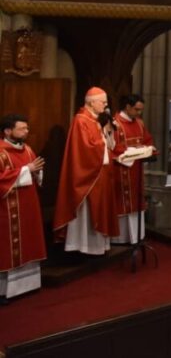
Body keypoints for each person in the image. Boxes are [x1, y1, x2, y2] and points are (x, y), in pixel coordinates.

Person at [54, 87, 120, 254]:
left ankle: (97, 246)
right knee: (87, 214)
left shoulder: (96, 119)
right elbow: (85, 149)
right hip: (88, 176)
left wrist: (108, 131)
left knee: (100, 210)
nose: (106, 105)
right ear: (91, 102)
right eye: (103, 102)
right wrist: (103, 136)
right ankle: (83, 246)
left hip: (100, 174)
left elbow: (108, 145)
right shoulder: (81, 120)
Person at [0, 114, 46, 301]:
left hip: (28, 206)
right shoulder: (1, 152)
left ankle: (28, 285)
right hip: (6, 209)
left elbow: (35, 171)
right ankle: (4, 290)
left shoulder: (27, 149)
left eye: (27, 128)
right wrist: (27, 170)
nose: (26, 132)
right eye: (22, 129)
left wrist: (36, 172)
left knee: (29, 239)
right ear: (7, 131)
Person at [111, 94, 157, 243]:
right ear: (128, 107)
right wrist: (128, 152)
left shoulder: (139, 123)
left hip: (136, 172)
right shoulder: (114, 124)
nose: (139, 113)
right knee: (121, 205)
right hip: (121, 172)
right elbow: (111, 146)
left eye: (141, 110)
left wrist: (149, 149)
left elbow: (147, 140)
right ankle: (119, 240)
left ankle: (136, 238)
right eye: (137, 110)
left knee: (136, 205)